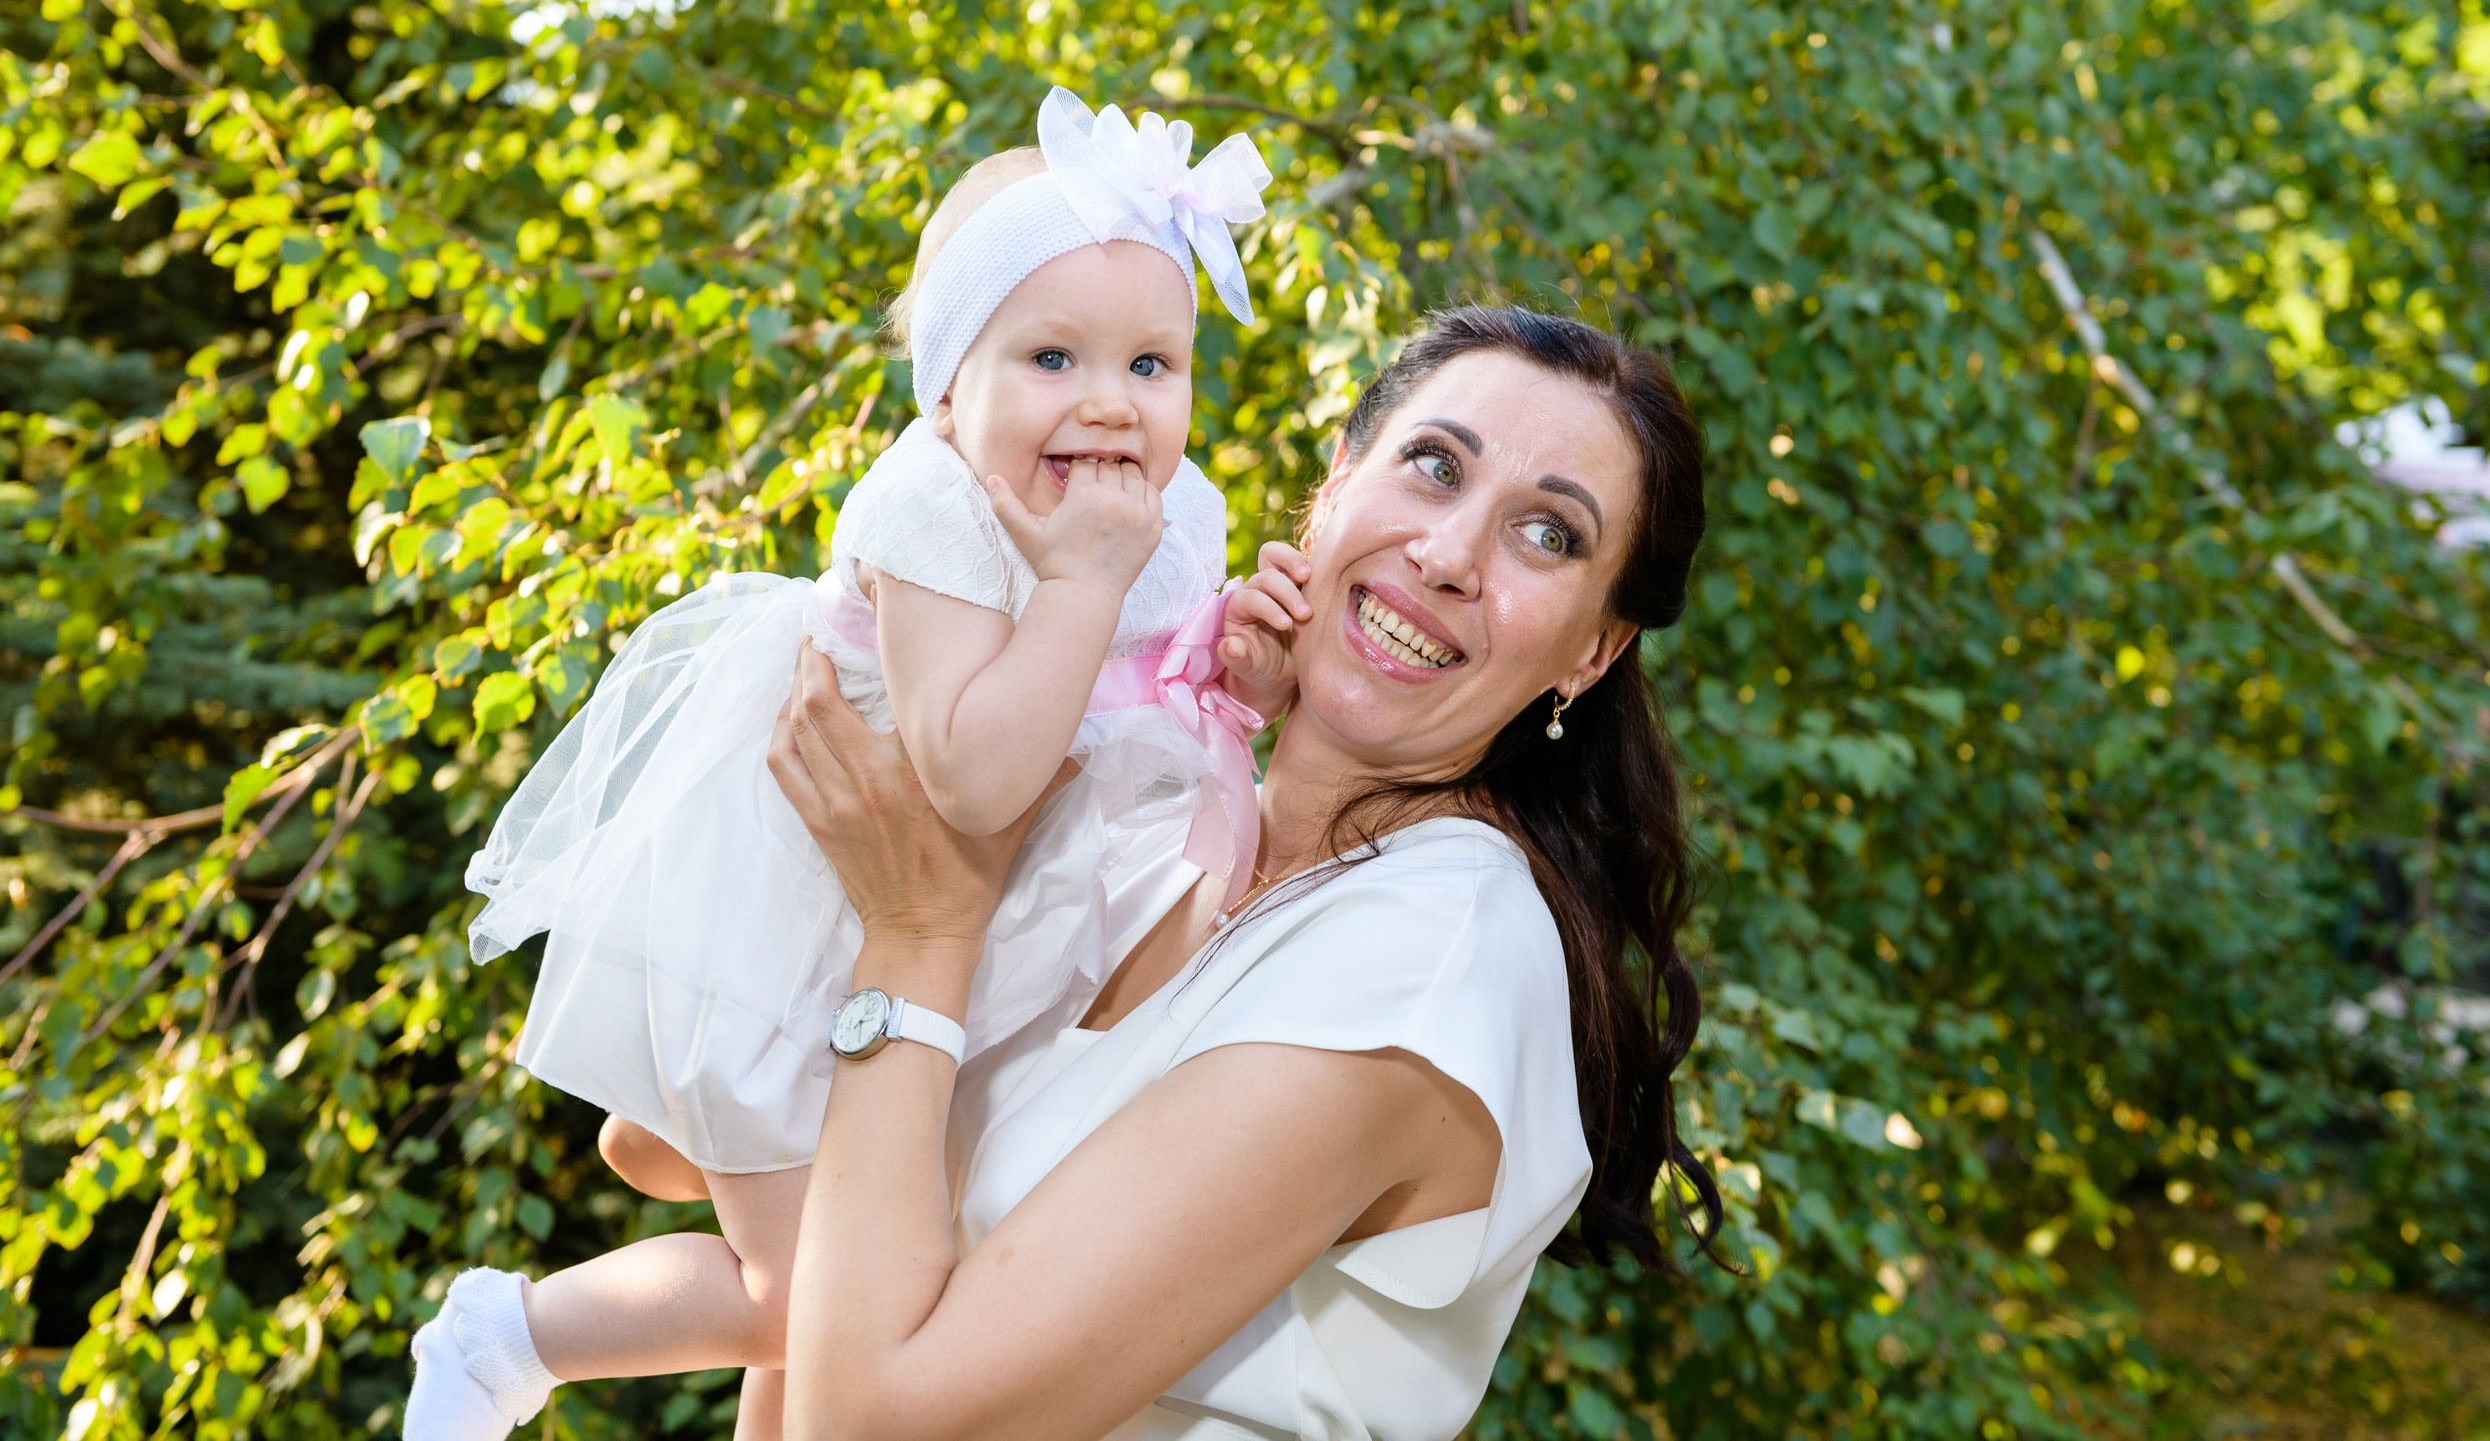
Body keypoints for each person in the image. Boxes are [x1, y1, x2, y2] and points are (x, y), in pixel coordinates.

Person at [403, 87, 1293, 1441]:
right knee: (802, 1291)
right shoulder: (934, 504)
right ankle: (506, 1332)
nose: (1108, 403)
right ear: (950, 388)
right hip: (808, 915)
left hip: (957, 945)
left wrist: (1232, 654)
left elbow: (1133, 687)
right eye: (1051, 357)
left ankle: (691, 1140)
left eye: (1151, 365)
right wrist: (1083, 581)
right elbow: (973, 778)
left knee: (867, 1259)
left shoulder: (1160, 510)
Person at [764, 305, 1719, 1441]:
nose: (1449, 555)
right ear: (1335, 483)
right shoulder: (1153, 840)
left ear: (1592, 650)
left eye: (1548, 536)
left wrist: (918, 937)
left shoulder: (1430, 955)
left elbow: (874, 1425)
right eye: (1432, 466)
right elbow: (790, 1270)